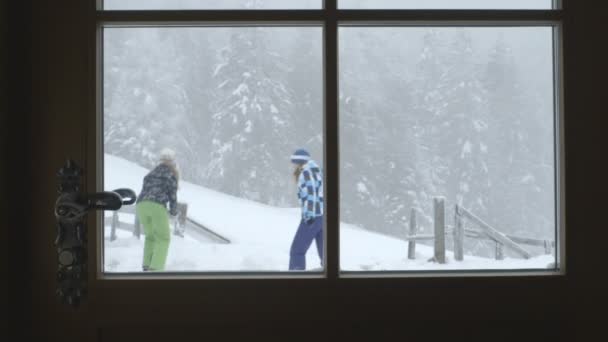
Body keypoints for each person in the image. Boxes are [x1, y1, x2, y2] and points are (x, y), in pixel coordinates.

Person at [135, 148, 179, 272]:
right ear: (172, 163)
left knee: (150, 237)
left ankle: (146, 266)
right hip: (156, 205)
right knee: (164, 238)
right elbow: (173, 197)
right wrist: (174, 212)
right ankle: (156, 270)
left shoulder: (150, 174)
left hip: (141, 205)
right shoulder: (171, 175)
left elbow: (146, 191)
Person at [289, 148, 324, 271]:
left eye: (294, 163)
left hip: (313, 217)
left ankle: (296, 279)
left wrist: (309, 215)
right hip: (323, 217)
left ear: (299, 162)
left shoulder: (306, 172)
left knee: (297, 251)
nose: (293, 166)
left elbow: (311, 194)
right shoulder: (317, 171)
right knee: (326, 254)